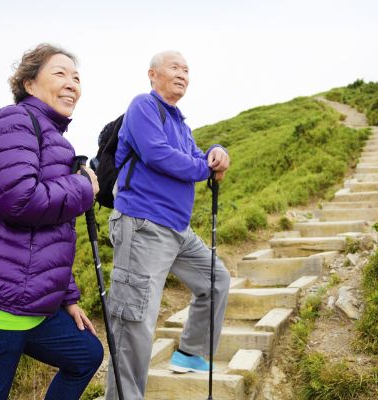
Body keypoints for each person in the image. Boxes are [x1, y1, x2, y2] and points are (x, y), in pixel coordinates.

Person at [0, 43, 103, 400]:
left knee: (86, 354)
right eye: (60, 73)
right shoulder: (13, 121)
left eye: (77, 77)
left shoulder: (53, 138)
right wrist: (83, 186)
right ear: (29, 84)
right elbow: (19, 200)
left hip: (28, 298)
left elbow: (49, 237)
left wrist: (68, 297)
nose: (72, 83)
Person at [104, 50, 231, 399]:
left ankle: (190, 353)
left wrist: (217, 151)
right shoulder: (143, 106)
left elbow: (196, 154)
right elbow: (157, 154)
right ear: (152, 74)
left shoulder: (180, 122)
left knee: (216, 280)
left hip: (176, 230)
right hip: (143, 225)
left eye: (187, 70)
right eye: (175, 67)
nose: (183, 74)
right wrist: (207, 168)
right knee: (135, 322)